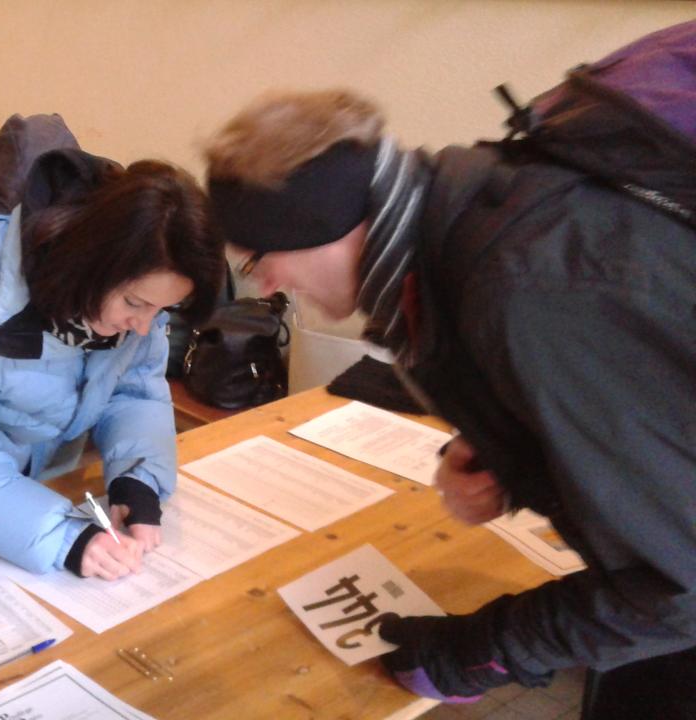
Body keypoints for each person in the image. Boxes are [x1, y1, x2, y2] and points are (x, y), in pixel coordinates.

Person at [204, 73, 695, 716]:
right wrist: (510, 453)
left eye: (258, 258)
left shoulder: (529, 291)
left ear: (325, 227)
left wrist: (472, 653)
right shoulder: (468, 214)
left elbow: (679, 591)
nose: (266, 284)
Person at [0, 114, 226, 581]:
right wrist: (63, 537)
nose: (144, 326)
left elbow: (135, 390)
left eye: (162, 310)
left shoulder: (137, 291)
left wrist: (138, 479)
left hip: (37, 453)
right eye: (135, 304)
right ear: (92, 264)